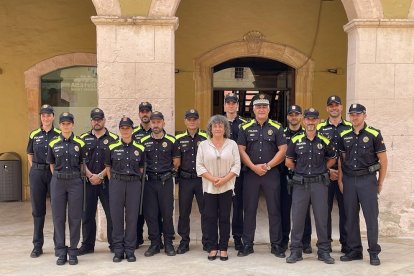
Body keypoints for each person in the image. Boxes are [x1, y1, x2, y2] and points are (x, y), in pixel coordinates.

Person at [237, 94, 287, 257]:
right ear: (253, 109)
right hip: (251, 175)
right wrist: (252, 167)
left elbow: (283, 149)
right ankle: (247, 244)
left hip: (271, 174)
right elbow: (241, 149)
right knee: (249, 209)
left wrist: (268, 166)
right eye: (258, 106)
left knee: (274, 209)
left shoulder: (277, 127)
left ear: (269, 109)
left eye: (264, 106)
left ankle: (276, 245)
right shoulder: (245, 128)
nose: (261, 109)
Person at [338, 103, 388, 266]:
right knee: (350, 217)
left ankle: (373, 252)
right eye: (352, 114)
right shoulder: (344, 134)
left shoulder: (374, 133)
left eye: (358, 114)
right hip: (349, 180)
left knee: (370, 217)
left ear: (364, 115)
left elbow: (383, 160)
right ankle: (355, 250)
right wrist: (340, 179)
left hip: (367, 180)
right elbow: (341, 159)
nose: (354, 117)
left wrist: (379, 182)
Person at [285, 108, 336, 264]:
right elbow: (288, 161)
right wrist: (300, 172)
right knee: (298, 218)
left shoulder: (325, 140)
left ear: (318, 121)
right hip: (300, 185)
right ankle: (296, 251)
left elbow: (332, 159)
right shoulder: (295, 140)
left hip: (319, 184)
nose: (311, 122)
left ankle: (324, 251)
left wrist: (321, 169)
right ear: (304, 120)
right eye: (308, 119)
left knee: (322, 219)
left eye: (314, 119)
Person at [196, 115, 241, 261]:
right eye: (215, 126)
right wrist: (213, 179)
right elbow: (199, 166)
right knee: (210, 218)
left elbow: (237, 165)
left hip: (227, 187)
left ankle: (223, 248)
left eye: (221, 126)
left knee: (224, 218)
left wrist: (224, 179)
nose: (218, 128)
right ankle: (213, 247)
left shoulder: (232, 144)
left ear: (225, 129)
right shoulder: (203, 145)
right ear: (210, 128)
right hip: (209, 187)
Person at [78, 108, 118, 255]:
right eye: (94, 119)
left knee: (111, 214)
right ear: (91, 121)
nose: (97, 122)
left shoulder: (113, 139)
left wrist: (100, 176)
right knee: (87, 214)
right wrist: (90, 175)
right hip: (88, 182)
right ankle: (87, 245)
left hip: (107, 182)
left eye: (99, 119)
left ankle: (114, 244)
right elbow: (80, 161)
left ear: (104, 121)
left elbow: (114, 162)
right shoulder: (82, 139)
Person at [47, 112, 85, 265]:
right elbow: (51, 164)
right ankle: (61, 251)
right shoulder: (53, 143)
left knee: (75, 217)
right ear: (60, 125)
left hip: (75, 181)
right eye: (63, 124)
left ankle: (73, 251)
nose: (66, 126)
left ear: (73, 125)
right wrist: (58, 177)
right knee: (58, 217)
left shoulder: (80, 143)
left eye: (68, 123)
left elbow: (82, 164)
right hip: (58, 181)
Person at [105, 116, 145, 262]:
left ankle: (130, 250)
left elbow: (141, 168)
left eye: (128, 127)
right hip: (117, 183)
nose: (125, 130)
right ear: (120, 130)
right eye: (123, 128)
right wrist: (115, 182)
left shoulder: (140, 147)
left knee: (132, 218)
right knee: (116, 218)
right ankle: (118, 250)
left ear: (132, 129)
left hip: (134, 184)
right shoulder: (112, 147)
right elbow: (108, 168)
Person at [140, 111, 180, 257]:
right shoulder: (144, 141)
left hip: (165, 182)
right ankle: (155, 243)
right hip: (150, 183)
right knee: (151, 214)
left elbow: (176, 162)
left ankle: (168, 243)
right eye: (153, 122)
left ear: (163, 123)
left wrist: (167, 173)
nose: (155, 125)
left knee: (167, 213)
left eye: (158, 122)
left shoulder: (171, 140)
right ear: (150, 124)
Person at [317, 95, 352, 253]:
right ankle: (325, 243)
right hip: (326, 175)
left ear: (342, 107)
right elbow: (316, 154)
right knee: (324, 211)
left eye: (336, 105)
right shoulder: (319, 128)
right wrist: (328, 170)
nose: (334, 108)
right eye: (330, 105)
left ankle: (346, 243)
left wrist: (342, 173)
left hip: (347, 176)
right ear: (327, 108)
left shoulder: (351, 127)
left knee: (347, 210)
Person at [27, 104, 60, 258]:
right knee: (38, 211)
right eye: (43, 115)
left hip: (54, 174)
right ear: (40, 117)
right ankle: (37, 246)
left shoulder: (59, 134)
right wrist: (35, 169)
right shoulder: (34, 134)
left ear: (53, 117)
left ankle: (58, 244)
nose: (46, 118)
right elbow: (30, 154)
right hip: (37, 173)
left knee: (57, 210)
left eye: (48, 115)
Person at [279, 105, 313, 253]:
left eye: (296, 114)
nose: (293, 117)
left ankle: (305, 242)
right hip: (284, 176)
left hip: (303, 178)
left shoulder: (308, 133)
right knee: (284, 210)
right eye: (291, 114)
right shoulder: (281, 134)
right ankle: (284, 240)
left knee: (304, 211)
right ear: (287, 117)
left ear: (301, 117)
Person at [175, 109, 208, 254]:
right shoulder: (179, 138)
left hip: (202, 180)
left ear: (199, 120)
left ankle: (207, 240)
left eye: (194, 119)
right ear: (185, 121)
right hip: (186, 180)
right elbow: (176, 161)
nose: (192, 121)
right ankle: (184, 241)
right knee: (184, 212)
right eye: (189, 119)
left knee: (206, 211)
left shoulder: (207, 137)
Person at [223, 93, 248, 251]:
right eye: (228, 103)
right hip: (222, 172)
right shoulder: (218, 123)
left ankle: (238, 237)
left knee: (238, 206)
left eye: (234, 103)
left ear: (237, 106)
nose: (231, 106)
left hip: (239, 172)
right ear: (225, 106)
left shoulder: (245, 124)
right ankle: (222, 238)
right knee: (222, 206)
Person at [133, 102, 153, 248]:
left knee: (154, 211)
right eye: (142, 111)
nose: (145, 113)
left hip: (154, 177)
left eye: (147, 111)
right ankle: (137, 238)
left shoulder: (157, 131)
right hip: (138, 178)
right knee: (137, 209)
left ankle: (155, 238)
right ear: (139, 114)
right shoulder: (133, 133)